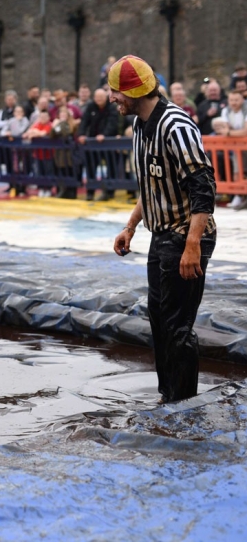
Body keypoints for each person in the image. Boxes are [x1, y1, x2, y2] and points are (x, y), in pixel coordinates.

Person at [109, 55, 217, 404]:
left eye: (116, 92)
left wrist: (192, 244)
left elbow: (204, 187)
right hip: (162, 233)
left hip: (186, 233)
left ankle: (183, 405)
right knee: (159, 318)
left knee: (177, 325)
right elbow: (152, 187)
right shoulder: (141, 124)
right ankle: (168, 396)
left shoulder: (175, 125)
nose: (112, 98)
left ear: (135, 92)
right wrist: (131, 226)